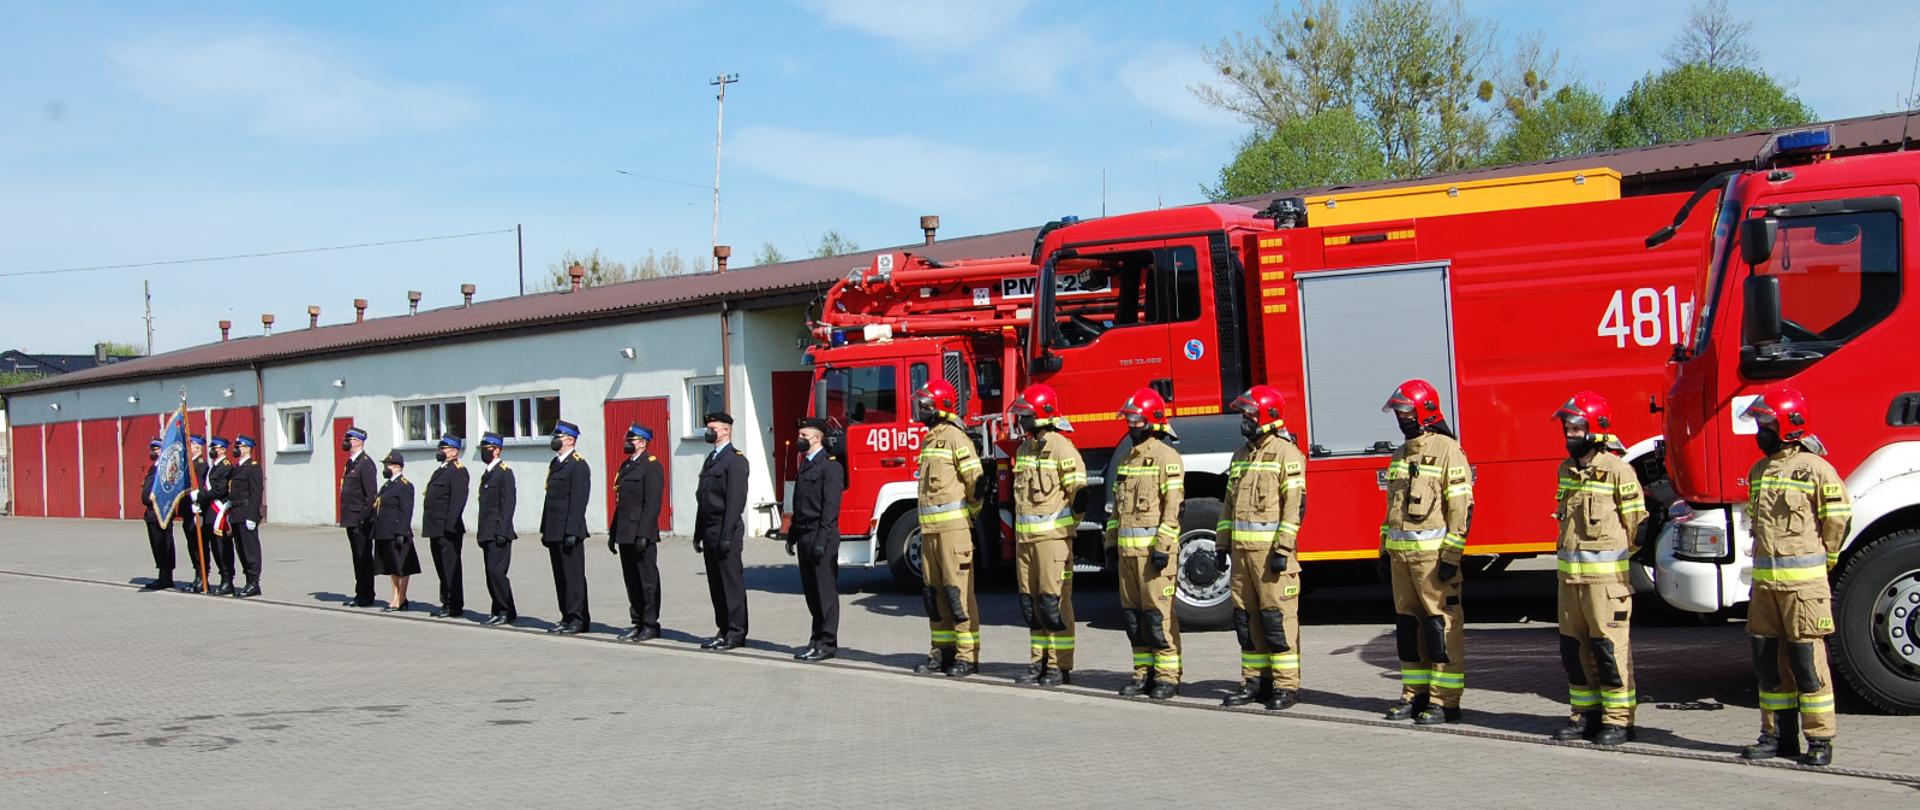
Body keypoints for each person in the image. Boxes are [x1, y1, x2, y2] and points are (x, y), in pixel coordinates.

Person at [1738, 386, 1850, 768]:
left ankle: (1819, 738)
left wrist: (1827, 557)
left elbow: (1836, 519)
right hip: (1766, 587)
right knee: (1768, 662)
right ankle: (1777, 735)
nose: (1760, 431)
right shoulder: (1758, 471)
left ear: (1788, 424)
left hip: (1804, 588)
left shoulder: (1816, 468)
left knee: (1807, 662)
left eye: (1766, 423)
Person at [1548, 392, 1646, 745]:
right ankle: (1584, 716)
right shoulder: (1565, 469)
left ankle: (1618, 721)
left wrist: (1616, 563)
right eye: (1568, 427)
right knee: (1574, 651)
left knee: (1609, 651)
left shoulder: (1619, 470)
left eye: (1577, 427)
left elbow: (1638, 526)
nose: (1570, 434)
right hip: (1569, 582)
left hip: (1606, 584)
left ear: (1597, 429)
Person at [1378, 379, 1473, 725]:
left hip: (1434, 563)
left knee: (1440, 628)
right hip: (1402, 560)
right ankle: (1413, 694)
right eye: (1399, 412)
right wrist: (1383, 551)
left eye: (1406, 411)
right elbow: (1392, 509)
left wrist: (1452, 556)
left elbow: (1461, 507)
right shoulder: (1400, 455)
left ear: (1425, 411)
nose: (1402, 418)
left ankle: (1443, 700)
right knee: (1408, 629)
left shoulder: (1449, 451)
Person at [1219, 385, 1308, 711]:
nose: (1244, 420)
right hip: (1242, 557)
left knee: (1277, 621)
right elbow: (1229, 505)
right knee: (1246, 621)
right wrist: (1221, 545)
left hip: (1273, 559)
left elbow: (1294, 509)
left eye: (1249, 415)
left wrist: (1282, 551)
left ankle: (1286, 686)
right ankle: (1254, 681)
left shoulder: (1287, 455)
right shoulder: (1240, 456)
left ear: (1267, 416)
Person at [1107, 388, 1186, 700]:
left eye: (1136, 419)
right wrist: (1111, 543)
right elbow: (1117, 507)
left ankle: (1167, 677)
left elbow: (1173, 507)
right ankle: (1142, 674)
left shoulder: (1167, 458)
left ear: (1153, 421)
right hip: (1128, 555)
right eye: (1129, 419)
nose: (1131, 425)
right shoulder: (1127, 458)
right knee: (1134, 619)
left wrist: (1163, 547)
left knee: (1157, 617)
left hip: (1154, 557)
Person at [1007, 384, 1084, 686]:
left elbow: (1080, 495)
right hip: (1026, 543)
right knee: (1032, 605)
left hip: (1053, 543)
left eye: (1025, 415)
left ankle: (1058, 665)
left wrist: (1066, 530)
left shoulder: (1062, 447)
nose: (1021, 420)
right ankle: (1038, 661)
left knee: (1055, 604)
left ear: (1042, 415)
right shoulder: (1025, 449)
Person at [910, 381, 985, 677]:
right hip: (929, 534)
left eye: (925, 405)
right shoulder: (930, 439)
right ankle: (941, 653)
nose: (921, 410)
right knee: (934, 596)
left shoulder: (956, 437)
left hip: (954, 533)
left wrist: (970, 516)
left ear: (940, 407)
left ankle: (967, 657)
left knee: (958, 595)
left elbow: (976, 484)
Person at [788, 417, 844, 661]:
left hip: (822, 535)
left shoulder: (830, 466)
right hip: (804, 533)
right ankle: (815, 639)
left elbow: (830, 509)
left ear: (817, 438)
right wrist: (791, 533)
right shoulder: (806, 464)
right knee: (812, 593)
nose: (800, 438)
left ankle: (827, 643)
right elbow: (800, 502)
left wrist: (822, 540)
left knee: (825, 592)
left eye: (804, 435)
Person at [695, 412, 751, 650]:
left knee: (730, 583)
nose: (709, 431)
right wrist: (698, 532)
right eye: (708, 427)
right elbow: (703, 498)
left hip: (725, 529)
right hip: (709, 529)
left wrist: (727, 535)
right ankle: (723, 628)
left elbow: (735, 501)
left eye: (713, 428)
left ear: (726, 431)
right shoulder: (711, 460)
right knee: (716, 584)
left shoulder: (735, 460)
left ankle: (736, 632)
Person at [610, 423, 665, 642]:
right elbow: (621, 503)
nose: (627, 443)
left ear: (642, 443)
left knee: (647, 580)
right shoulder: (626, 466)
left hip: (642, 533)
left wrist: (644, 533)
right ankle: (638, 621)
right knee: (631, 580)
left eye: (631, 441)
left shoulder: (651, 466)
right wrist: (613, 533)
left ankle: (651, 623)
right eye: (627, 440)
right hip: (625, 532)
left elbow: (652, 504)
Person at [541, 420, 592, 635]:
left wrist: (572, 531)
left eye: (559, 436)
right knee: (560, 577)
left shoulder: (578, 465)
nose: (555, 439)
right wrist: (544, 528)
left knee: (573, 577)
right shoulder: (556, 464)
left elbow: (579, 501)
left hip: (569, 531)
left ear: (570, 440)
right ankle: (566, 615)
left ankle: (578, 618)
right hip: (554, 529)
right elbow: (549, 499)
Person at [422, 434, 470, 618]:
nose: (441, 452)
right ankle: (446, 602)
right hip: (435, 527)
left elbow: (458, 501)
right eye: (440, 449)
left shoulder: (458, 470)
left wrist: (449, 525)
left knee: (451, 567)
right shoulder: (441, 470)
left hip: (448, 529)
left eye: (445, 449)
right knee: (441, 567)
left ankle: (455, 605)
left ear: (454, 452)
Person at [475, 432, 518, 626]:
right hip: (487, 532)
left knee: (496, 572)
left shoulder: (504, 472)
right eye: (483, 449)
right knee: (490, 573)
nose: (484, 452)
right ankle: (500, 608)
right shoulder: (488, 473)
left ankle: (505, 610)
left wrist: (502, 531)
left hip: (499, 532)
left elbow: (507, 505)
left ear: (497, 450)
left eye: (488, 449)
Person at [371, 450, 419, 612]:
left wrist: (401, 532)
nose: (386, 468)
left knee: (402, 567)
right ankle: (395, 596)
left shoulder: (404, 485)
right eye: (385, 465)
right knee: (391, 566)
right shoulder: (387, 485)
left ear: (398, 467)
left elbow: (406, 511)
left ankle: (402, 597)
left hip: (397, 532)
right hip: (384, 531)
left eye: (389, 465)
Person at [339, 426, 379, 607]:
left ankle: (367, 594)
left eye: (349, 439)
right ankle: (360, 592)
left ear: (358, 441)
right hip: (351, 518)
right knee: (357, 557)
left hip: (360, 520)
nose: (346, 442)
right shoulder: (351, 463)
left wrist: (363, 518)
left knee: (364, 558)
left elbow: (371, 495)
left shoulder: (366, 463)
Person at [137, 437, 177, 591]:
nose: (154, 452)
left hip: (162, 512)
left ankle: (167, 576)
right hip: (151, 513)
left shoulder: (166, 467)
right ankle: (162, 574)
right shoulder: (153, 467)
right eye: (152, 449)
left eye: (157, 449)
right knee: (156, 544)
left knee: (164, 543)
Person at [228, 435, 266, 598]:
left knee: (250, 550)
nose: (236, 449)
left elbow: (256, 494)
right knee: (241, 550)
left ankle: (254, 583)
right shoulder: (237, 468)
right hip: (236, 513)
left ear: (248, 448)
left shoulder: (253, 467)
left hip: (246, 513)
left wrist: (252, 516)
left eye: (240, 446)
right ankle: (247, 580)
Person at [203, 437, 237, 595]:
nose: (212, 450)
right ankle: (222, 577)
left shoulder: (225, 467)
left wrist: (201, 496)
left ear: (223, 449)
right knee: (215, 548)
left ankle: (227, 579)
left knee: (223, 548)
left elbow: (220, 490)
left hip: (219, 512)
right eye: (211, 447)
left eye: (215, 447)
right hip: (211, 512)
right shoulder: (213, 467)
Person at [181, 434, 211, 593]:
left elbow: (201, 488)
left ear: (198, 447)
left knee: (200, 546)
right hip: (188, 512)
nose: (188, 448)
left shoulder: (201, 465)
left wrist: (198, 503)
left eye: (190, 445)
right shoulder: (189, 465)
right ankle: (197, 575)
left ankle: (203, 577)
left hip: (198, 512)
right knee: (192, 546)